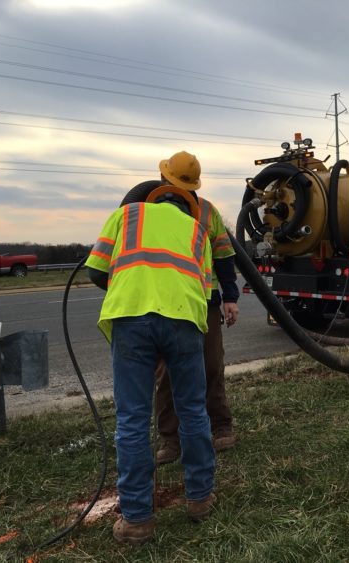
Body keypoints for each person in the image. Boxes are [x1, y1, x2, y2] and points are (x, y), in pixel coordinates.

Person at [86, 174, 216, 545]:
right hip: (184, 320)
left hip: (131, 317)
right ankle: (200, 500)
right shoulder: (198, 232)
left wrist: (137, 294)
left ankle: (138, 520)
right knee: (192, 410)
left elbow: (97, 270)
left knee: (132, 419)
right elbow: (202, 289)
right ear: (188, 206)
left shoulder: (128, 215)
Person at [151, 151, 240, 464]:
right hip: (164, 301)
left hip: (204, 301)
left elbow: (225, 257)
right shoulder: (148, 210)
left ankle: (221, 427)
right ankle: (171, 440)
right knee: (166, 374)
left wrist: (230, 297)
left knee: (211, 366)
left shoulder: (206, 212)